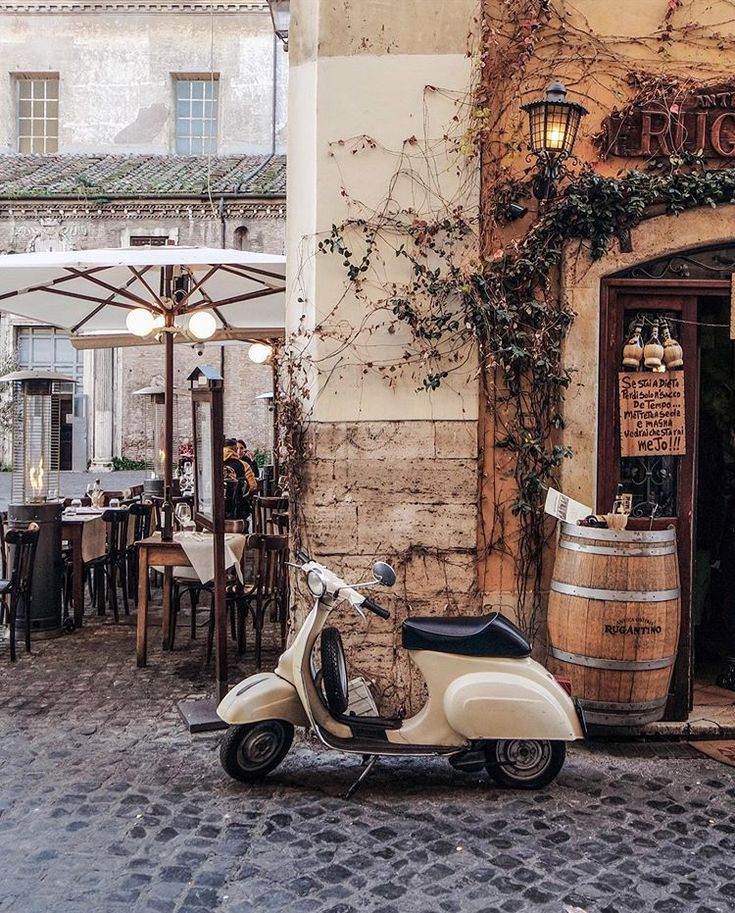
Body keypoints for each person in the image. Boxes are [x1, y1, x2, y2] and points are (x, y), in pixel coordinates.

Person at [223, 438, 257, 521]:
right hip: (239, 510)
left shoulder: (214, 464)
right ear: (235, 449)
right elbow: (253, 486)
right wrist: (243, 496)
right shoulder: (244, 465)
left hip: (217, 508)